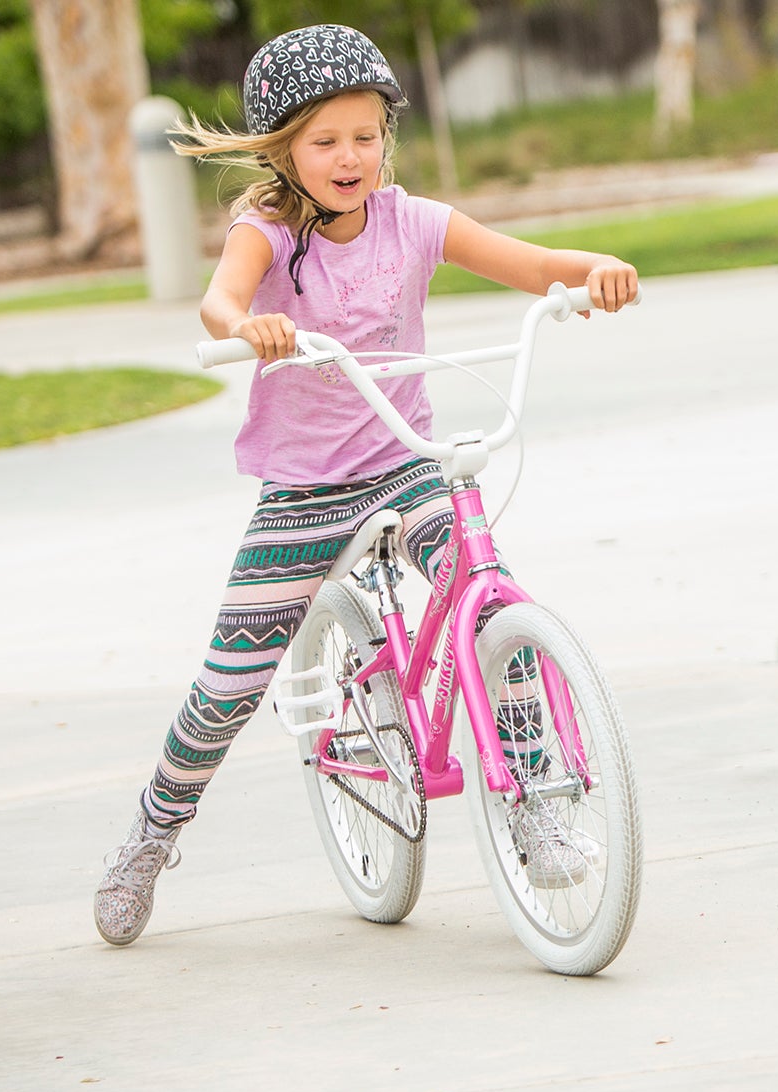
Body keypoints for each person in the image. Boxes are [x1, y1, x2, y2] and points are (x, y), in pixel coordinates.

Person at [94, 24, 639, 946]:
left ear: (387, 134)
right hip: (304, 490)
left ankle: (539, 802)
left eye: (365, 134)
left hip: (403, 466)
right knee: (229, 682)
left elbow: (533, 266)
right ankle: (155, 829)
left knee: (489, 597)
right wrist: (247, 325)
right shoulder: (263, 232)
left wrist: (595, 273)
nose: (351, 157)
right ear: (283, 152)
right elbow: (221, 297)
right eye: (325, 140)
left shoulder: (415, 221)